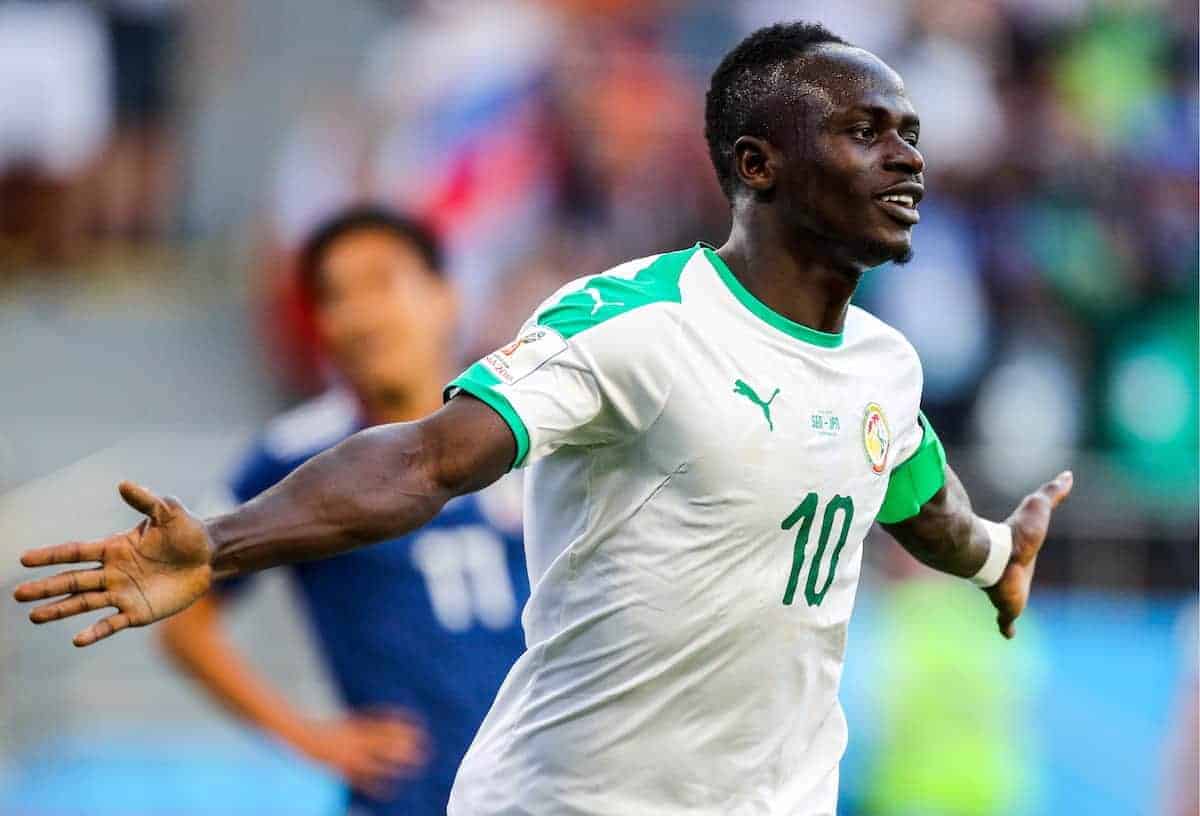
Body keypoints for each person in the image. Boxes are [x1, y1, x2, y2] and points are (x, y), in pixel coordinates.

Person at [15, 22, 1073, 816]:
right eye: (865, 131)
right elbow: (431, 460)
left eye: (911, 134)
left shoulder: (885, 368)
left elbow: (919, 499)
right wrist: (226, 545)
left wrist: (993, 559)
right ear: (759, 166)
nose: (907, 158)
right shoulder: (636, 322)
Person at [161, 206, 529, 814]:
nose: (358, 315)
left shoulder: (523, 421)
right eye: (334, 296)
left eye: (382, 283)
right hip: (406, 797)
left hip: (547, 790)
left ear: (445, 296)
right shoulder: (296, 456)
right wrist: (307, 736)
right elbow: (185, 622)